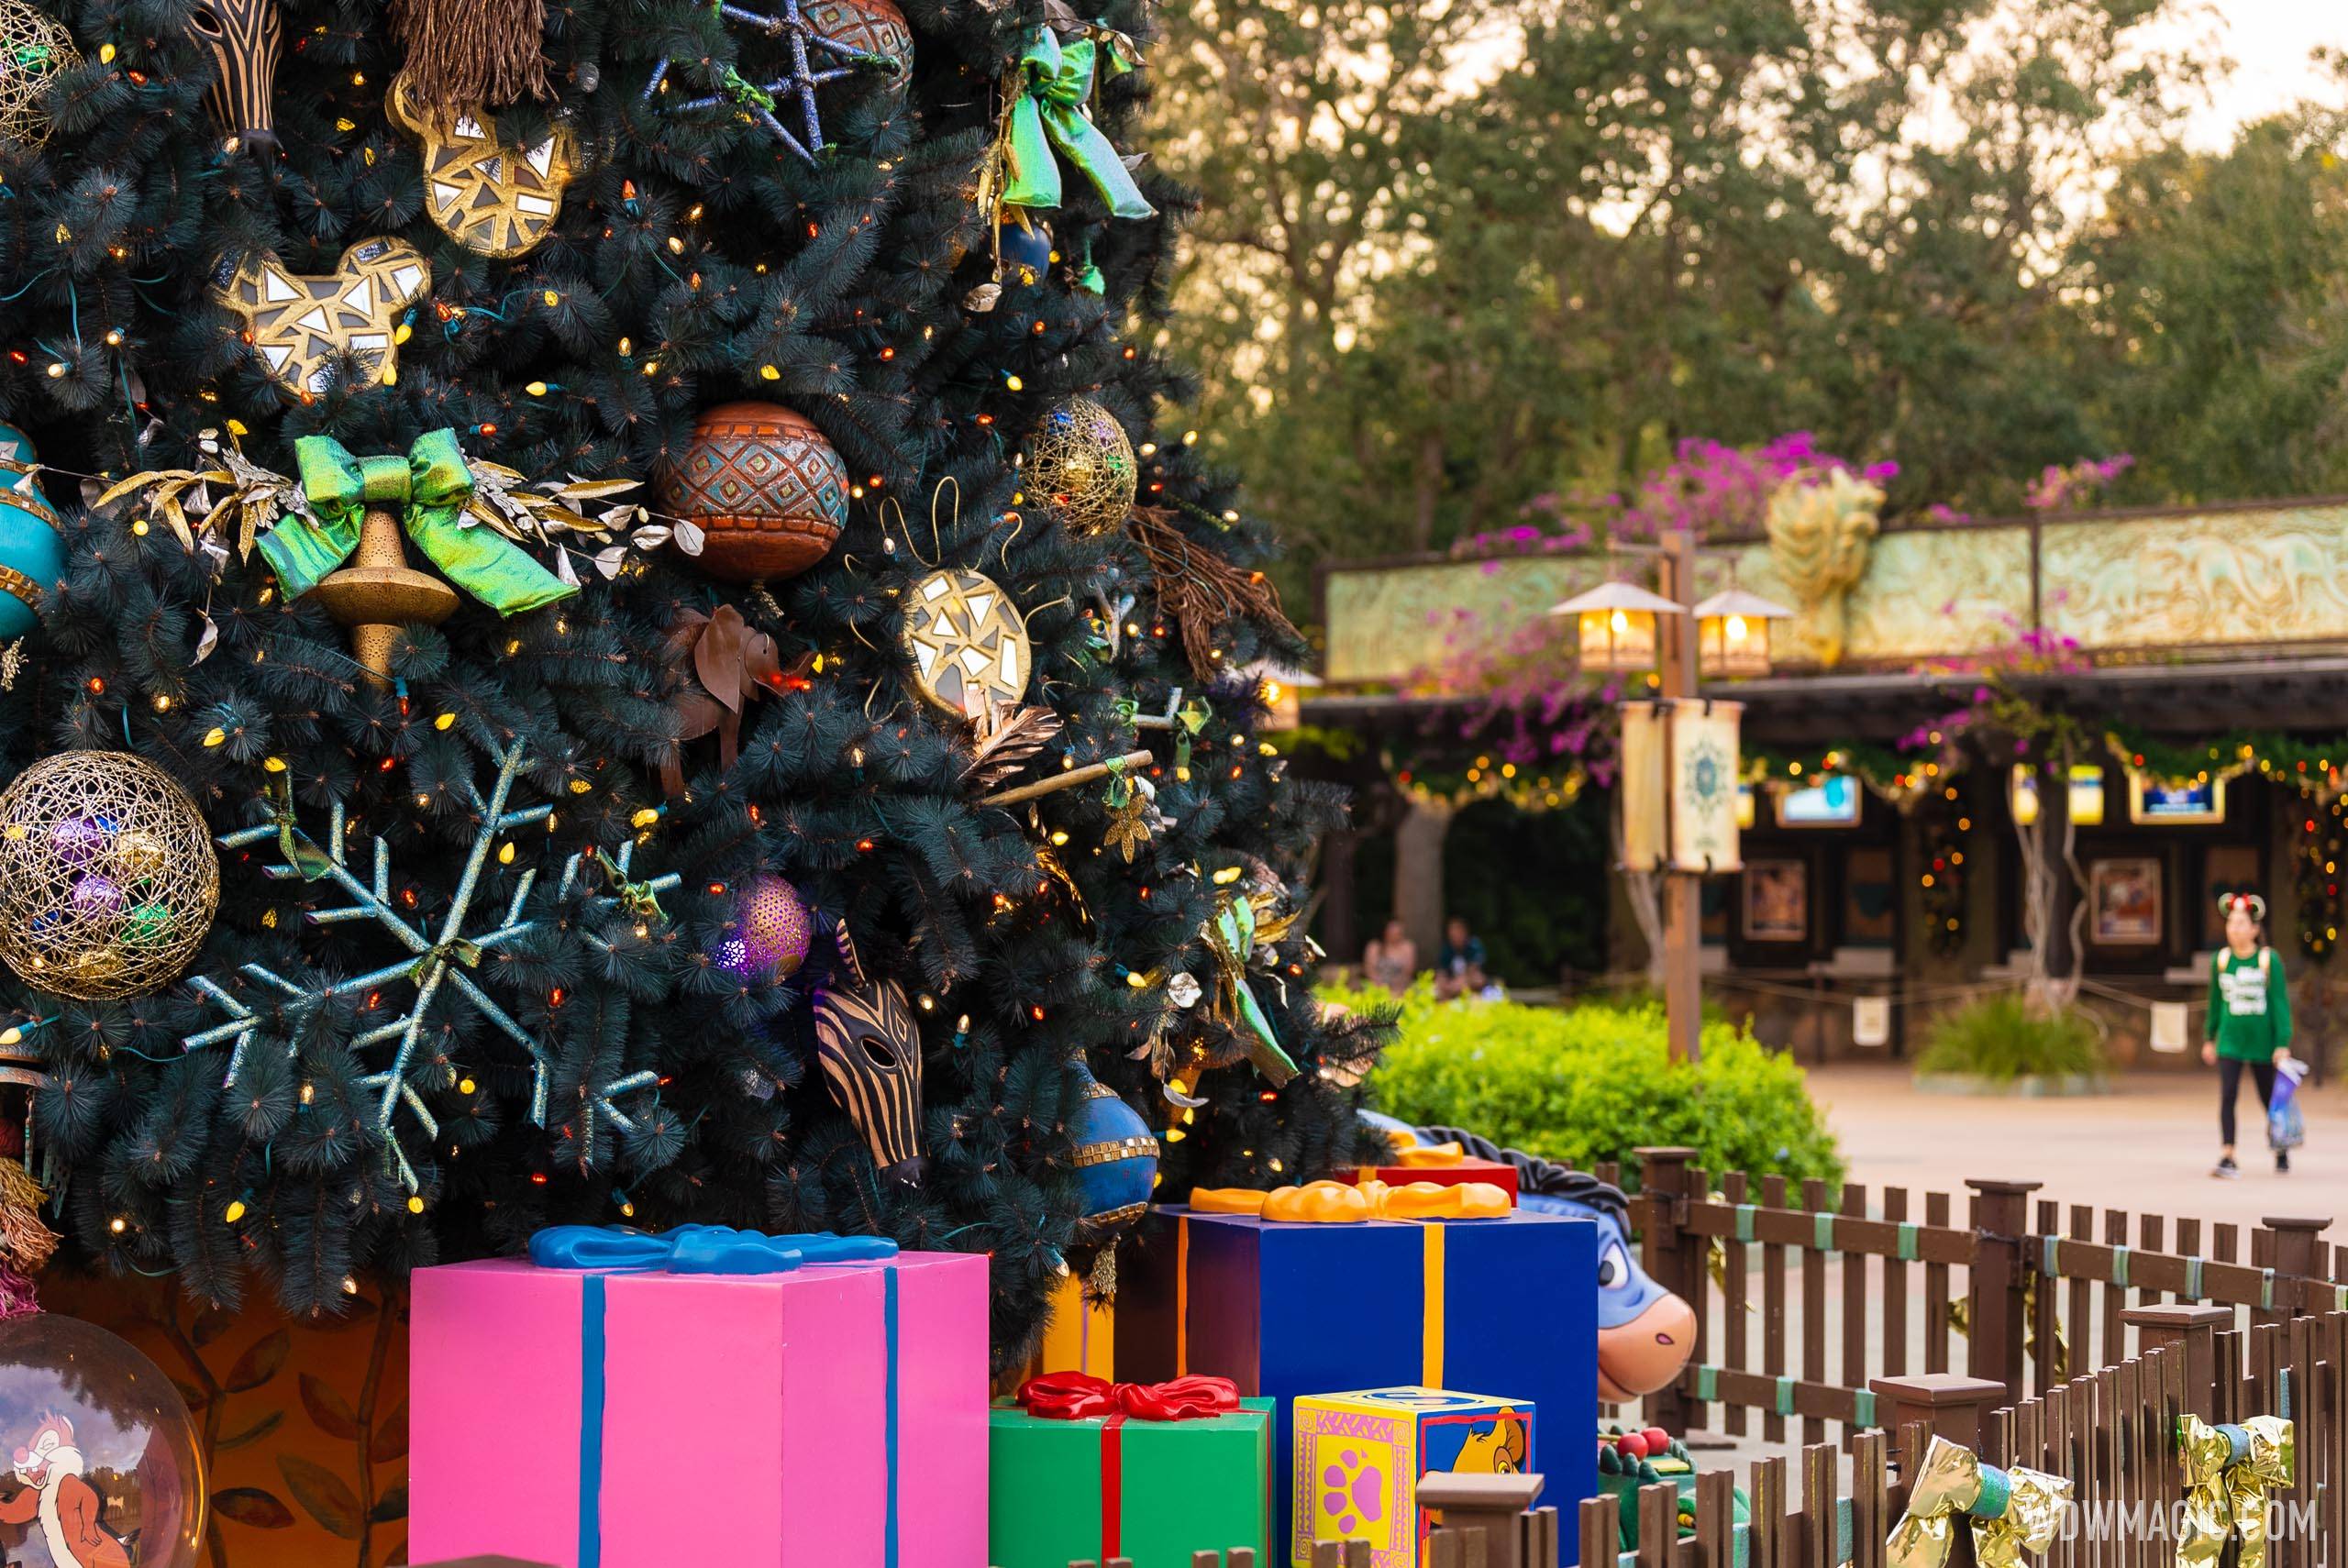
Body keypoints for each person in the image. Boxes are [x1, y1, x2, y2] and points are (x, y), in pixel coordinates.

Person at [2202, 892, 2293, 1178]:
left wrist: (2282, 1043)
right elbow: (2215, 1002)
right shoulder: (2221, 960)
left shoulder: (2268, 960)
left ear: (2254, 929)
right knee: (2228, 1094)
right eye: (2231, 923)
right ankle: (2228, 1154)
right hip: (2230, 1041)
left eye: (2241, 923)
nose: (2235, 929)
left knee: (2268, 1098)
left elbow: (2280, 1004)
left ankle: (2280, 1147)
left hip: (2262, 1044)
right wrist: (2209, 1037)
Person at [1434, 916, 1489, 1001]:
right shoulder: (1447, 948)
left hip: (1468, 980)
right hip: (1452, 982)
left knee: (1477, 979)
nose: (1454, 937)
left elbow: (1473, 969)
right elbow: (1442, 971)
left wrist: (1456, 984)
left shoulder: (1474, 945)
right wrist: (1443, 983)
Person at [1361, 919, 1416, 995]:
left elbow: (1408, 971)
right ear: (1386, 932)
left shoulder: (1407, 947)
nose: (1395, 935)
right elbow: (1369, 969)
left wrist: (1396, 986)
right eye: (1392, 932)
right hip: (1376, 985)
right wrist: (1380, 986)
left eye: (1398, 933)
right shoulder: (1374, 946)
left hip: (1401, 987)